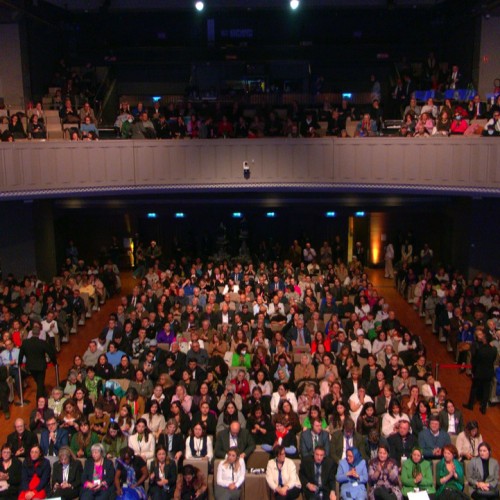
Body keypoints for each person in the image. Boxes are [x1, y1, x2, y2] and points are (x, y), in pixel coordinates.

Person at [463, 329, 497, 414]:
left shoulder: (480, 350)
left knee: (474, 388)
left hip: (479, 372)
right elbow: (493, 360)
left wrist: (473, 371)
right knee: (486, 390)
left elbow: (475, 361)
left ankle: (470, 405)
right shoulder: (494, 350)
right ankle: (483, 408)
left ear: (485, 339)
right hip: (489, 372)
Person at [18, 329, 57, 399]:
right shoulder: (42, 342)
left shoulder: (25, 342)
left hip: (30, 366)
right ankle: (39, 400)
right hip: (41, 366)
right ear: (39, 334)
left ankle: (43, 393)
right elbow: (50, 353)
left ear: (32, 333)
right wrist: (54, 362)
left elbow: (21, 354)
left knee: (38, 381)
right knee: (40, 382)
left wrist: (19, 363)